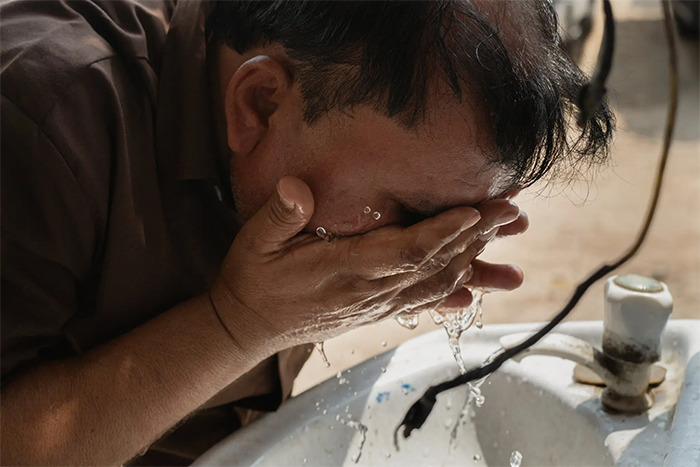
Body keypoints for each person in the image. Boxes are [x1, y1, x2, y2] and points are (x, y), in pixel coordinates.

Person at [0, 0, 613, 464]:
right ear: (260, 105)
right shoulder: (42, 121)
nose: (430, 252)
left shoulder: (315, 137)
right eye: (415, 214)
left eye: (469, 218)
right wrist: (239, 325)